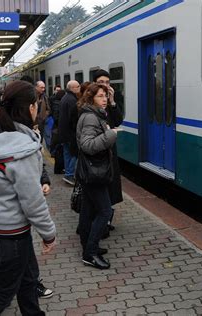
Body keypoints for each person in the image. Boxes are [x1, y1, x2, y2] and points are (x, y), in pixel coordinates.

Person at [0, 80, 56, 315]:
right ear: (30, 108)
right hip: (11, 234)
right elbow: (32, 202)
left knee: (29, 278)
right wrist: (49, 233)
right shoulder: (22, 148)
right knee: (2, 293)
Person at [76, 83, 120, 269]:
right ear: (91, 98)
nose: (104, 100)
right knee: (105, 211)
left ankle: (88, 245)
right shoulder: (90, 118)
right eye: (100, 96)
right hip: (94, 172)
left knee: (87, 211)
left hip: (91, 172)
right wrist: (110, 135)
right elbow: (87, 145)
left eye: (105, 96)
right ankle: (90, 253)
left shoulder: (93, 114)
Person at [93, 70, 124, 234]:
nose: (105, 85)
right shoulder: (91, 104)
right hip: (98, 153)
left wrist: (112, 101)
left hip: (110, 151)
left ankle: (106, 219)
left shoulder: (109, 101)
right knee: (100, 190)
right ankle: (100, 223)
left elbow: (118, 120)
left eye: (107, 81)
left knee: (110, 186)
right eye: (101, 81)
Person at [58, 80, 81, 185]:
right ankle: (70, 174)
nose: (79, 87)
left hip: (63, 132)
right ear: (72, 88)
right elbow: (73, 119)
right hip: (70, 133)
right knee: (74, 154)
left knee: (67, 153)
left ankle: (68, 173)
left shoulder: (65, 97)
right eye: (78, 86)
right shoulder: (72, 100)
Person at [35, 81, 50, 146]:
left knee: (40, 139)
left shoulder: (45, 96)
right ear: (36, 87)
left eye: (44, 88)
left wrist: (44, 116)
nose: (43, 89)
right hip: (33, 123)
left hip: (42, 122)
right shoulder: (31, 96)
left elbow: (48, 108)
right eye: (41, 88)